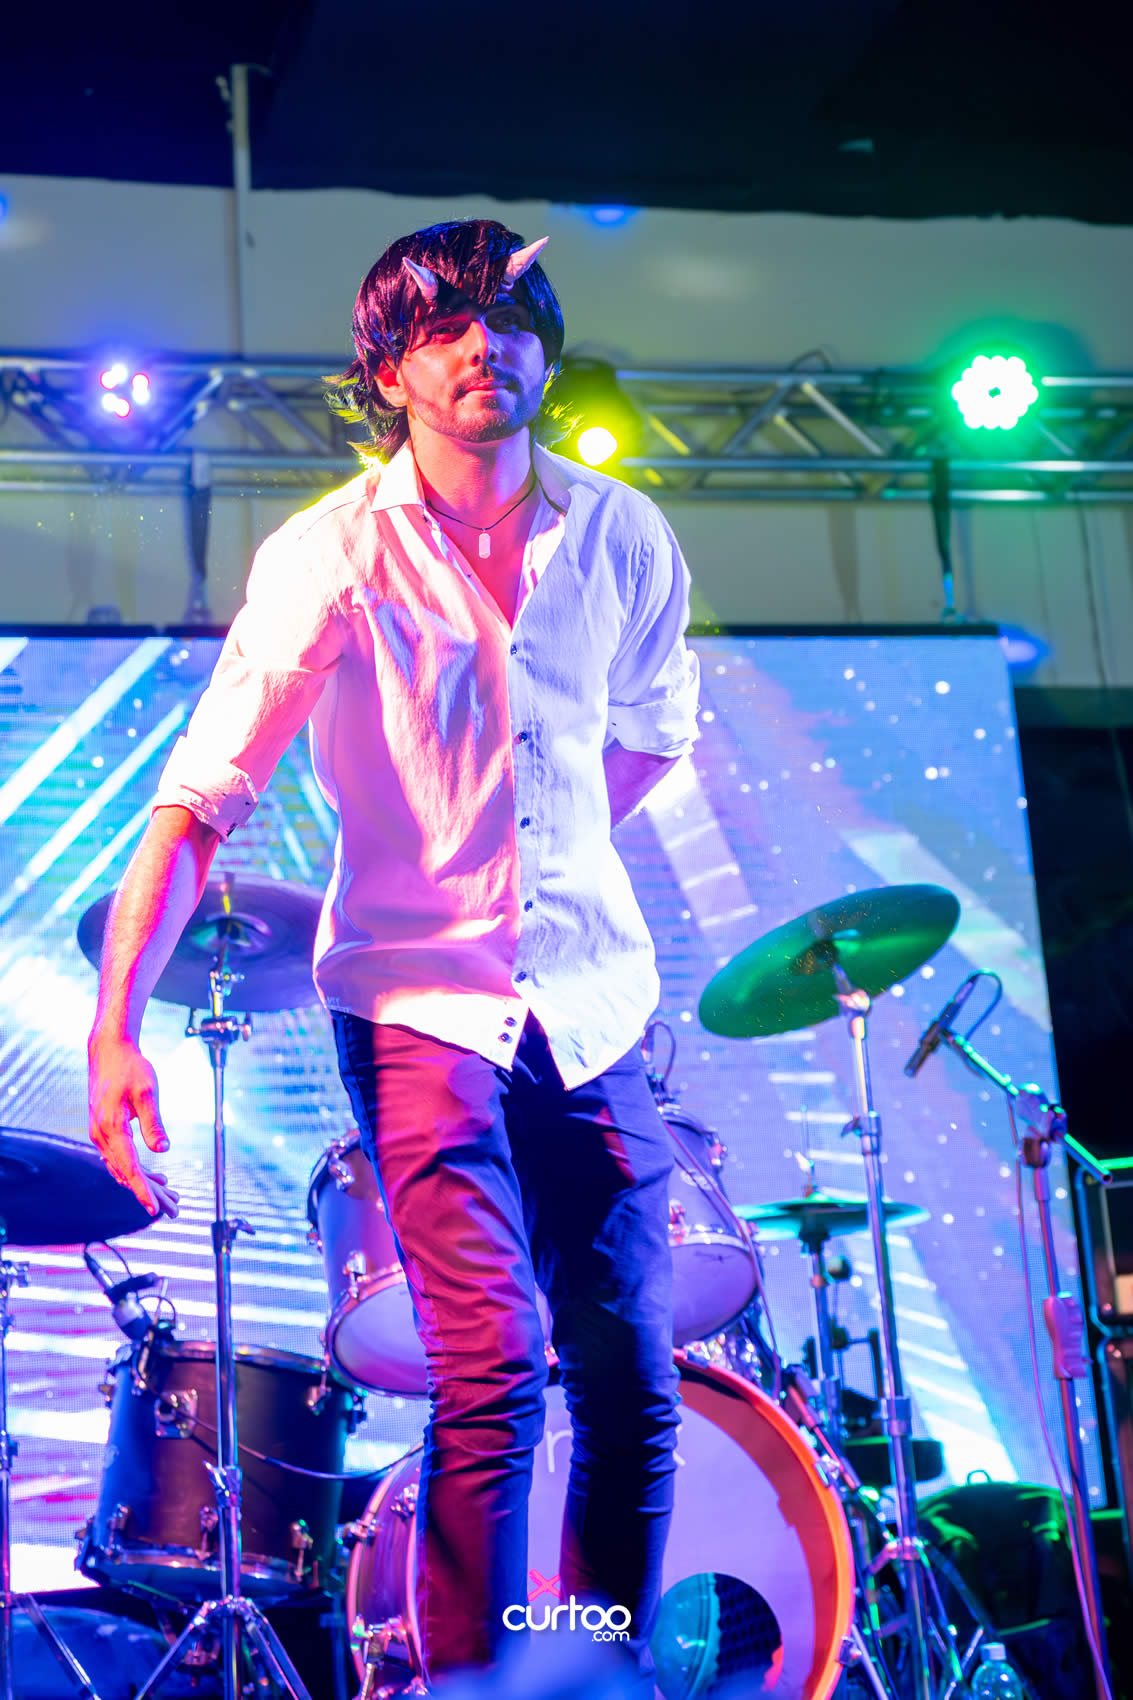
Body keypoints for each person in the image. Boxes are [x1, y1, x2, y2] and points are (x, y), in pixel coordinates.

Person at [87, 218, 700, 1690]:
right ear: (389, 371)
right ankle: (480, 1686)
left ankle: (596, 1676)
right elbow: (199, 800)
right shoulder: (332, 554)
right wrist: (116, 1033)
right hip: (417, 1004)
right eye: (446, 325)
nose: (486, 343)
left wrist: (532, 866)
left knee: (632, 1386)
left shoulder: (620, 532)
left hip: (592, 1003)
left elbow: (648, 736)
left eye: (512, 317)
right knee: (493, 1370)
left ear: (545, 353)